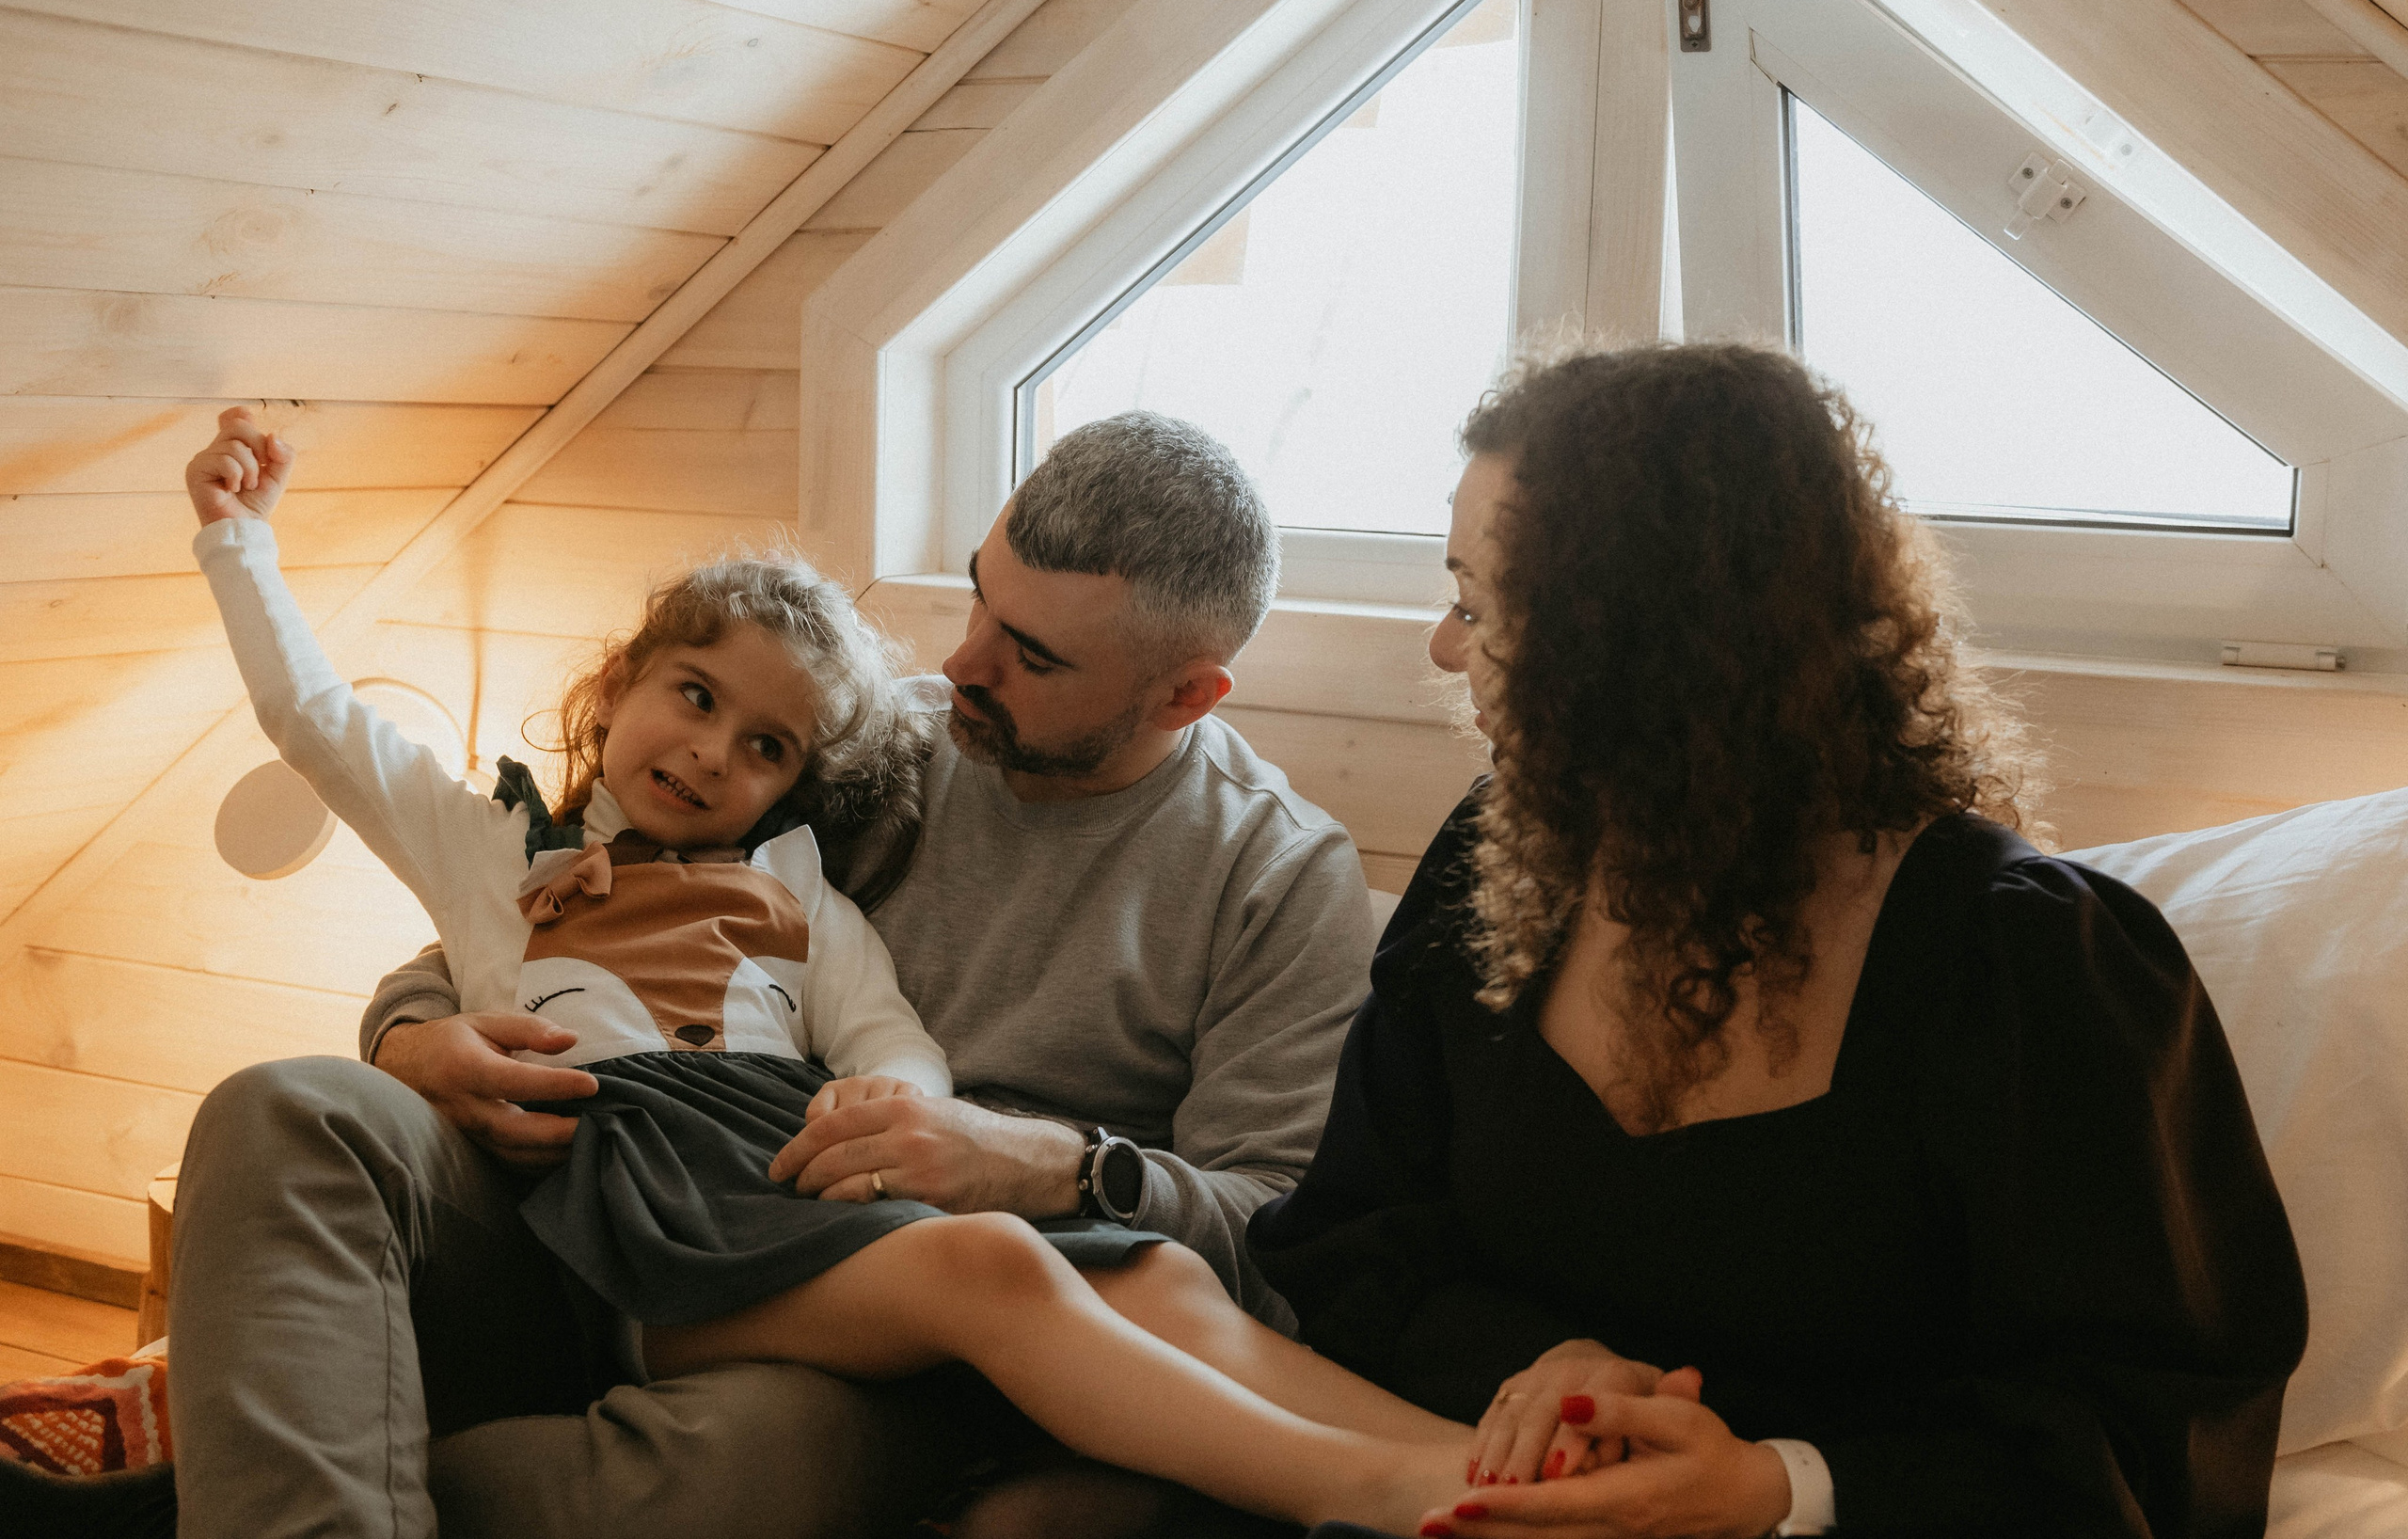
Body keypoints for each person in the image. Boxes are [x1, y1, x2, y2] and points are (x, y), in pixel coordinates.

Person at [161, 409, 1385, 1539]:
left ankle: (225, 1490)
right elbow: (595, 907)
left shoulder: (1273, 874)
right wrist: (415, 1032)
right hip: (587, 1175)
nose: (961, 665)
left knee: (746, 1459)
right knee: (288, 1107)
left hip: (874, 1298)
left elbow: (1278, 1227)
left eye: (1031, 654)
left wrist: (1057, 1162)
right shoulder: (886, 736)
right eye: (975, 598)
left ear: (1188, 692)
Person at [1254, 343, 2310, 1539]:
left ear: (1649, 646)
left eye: (1477, 602)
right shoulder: (1495, 867)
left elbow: (2151, 1449)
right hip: (1485, 1480)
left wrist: (1775, 1484)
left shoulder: (2025, 962)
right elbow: (1346, 1246)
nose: (1448, 649)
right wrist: (1548, 1364)